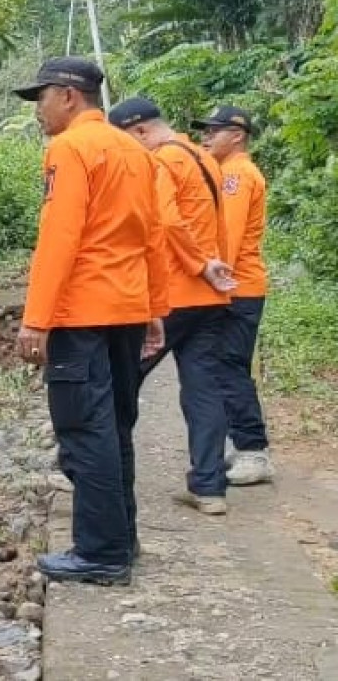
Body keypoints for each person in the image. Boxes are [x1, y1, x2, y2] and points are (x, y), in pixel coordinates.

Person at [13, 57, 169, 585]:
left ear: (68, 96)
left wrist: (36, 319)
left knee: (85, 428)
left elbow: (61, 236)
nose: (39, 110)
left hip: (82, 313)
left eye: (41, 98)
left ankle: (101, 553)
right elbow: (154, 235)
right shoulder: (136, 152)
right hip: (125, 308)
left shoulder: (70, 149)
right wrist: (153, 309)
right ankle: (122, 538)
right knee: (117, 424)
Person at [108, 97, 237, 516]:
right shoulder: (204, 157)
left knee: (120, 380)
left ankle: (91, 469)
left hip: (175, 296)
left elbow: (165, 221)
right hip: (210, 299)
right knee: (204, 389)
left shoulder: (162, 161)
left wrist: (199, 264)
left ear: (141, 131)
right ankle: (209, 486)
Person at [194, 105, 274, 486]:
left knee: (229, 366)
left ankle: (252, 450)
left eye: (214, 131)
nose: (206, 138)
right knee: (226, 365)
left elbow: (228, 234)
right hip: (236, 285)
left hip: (237, 286)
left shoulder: (237, 175)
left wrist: (213, 275)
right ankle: (243, 444)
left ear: (237, 135)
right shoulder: (225, 172)